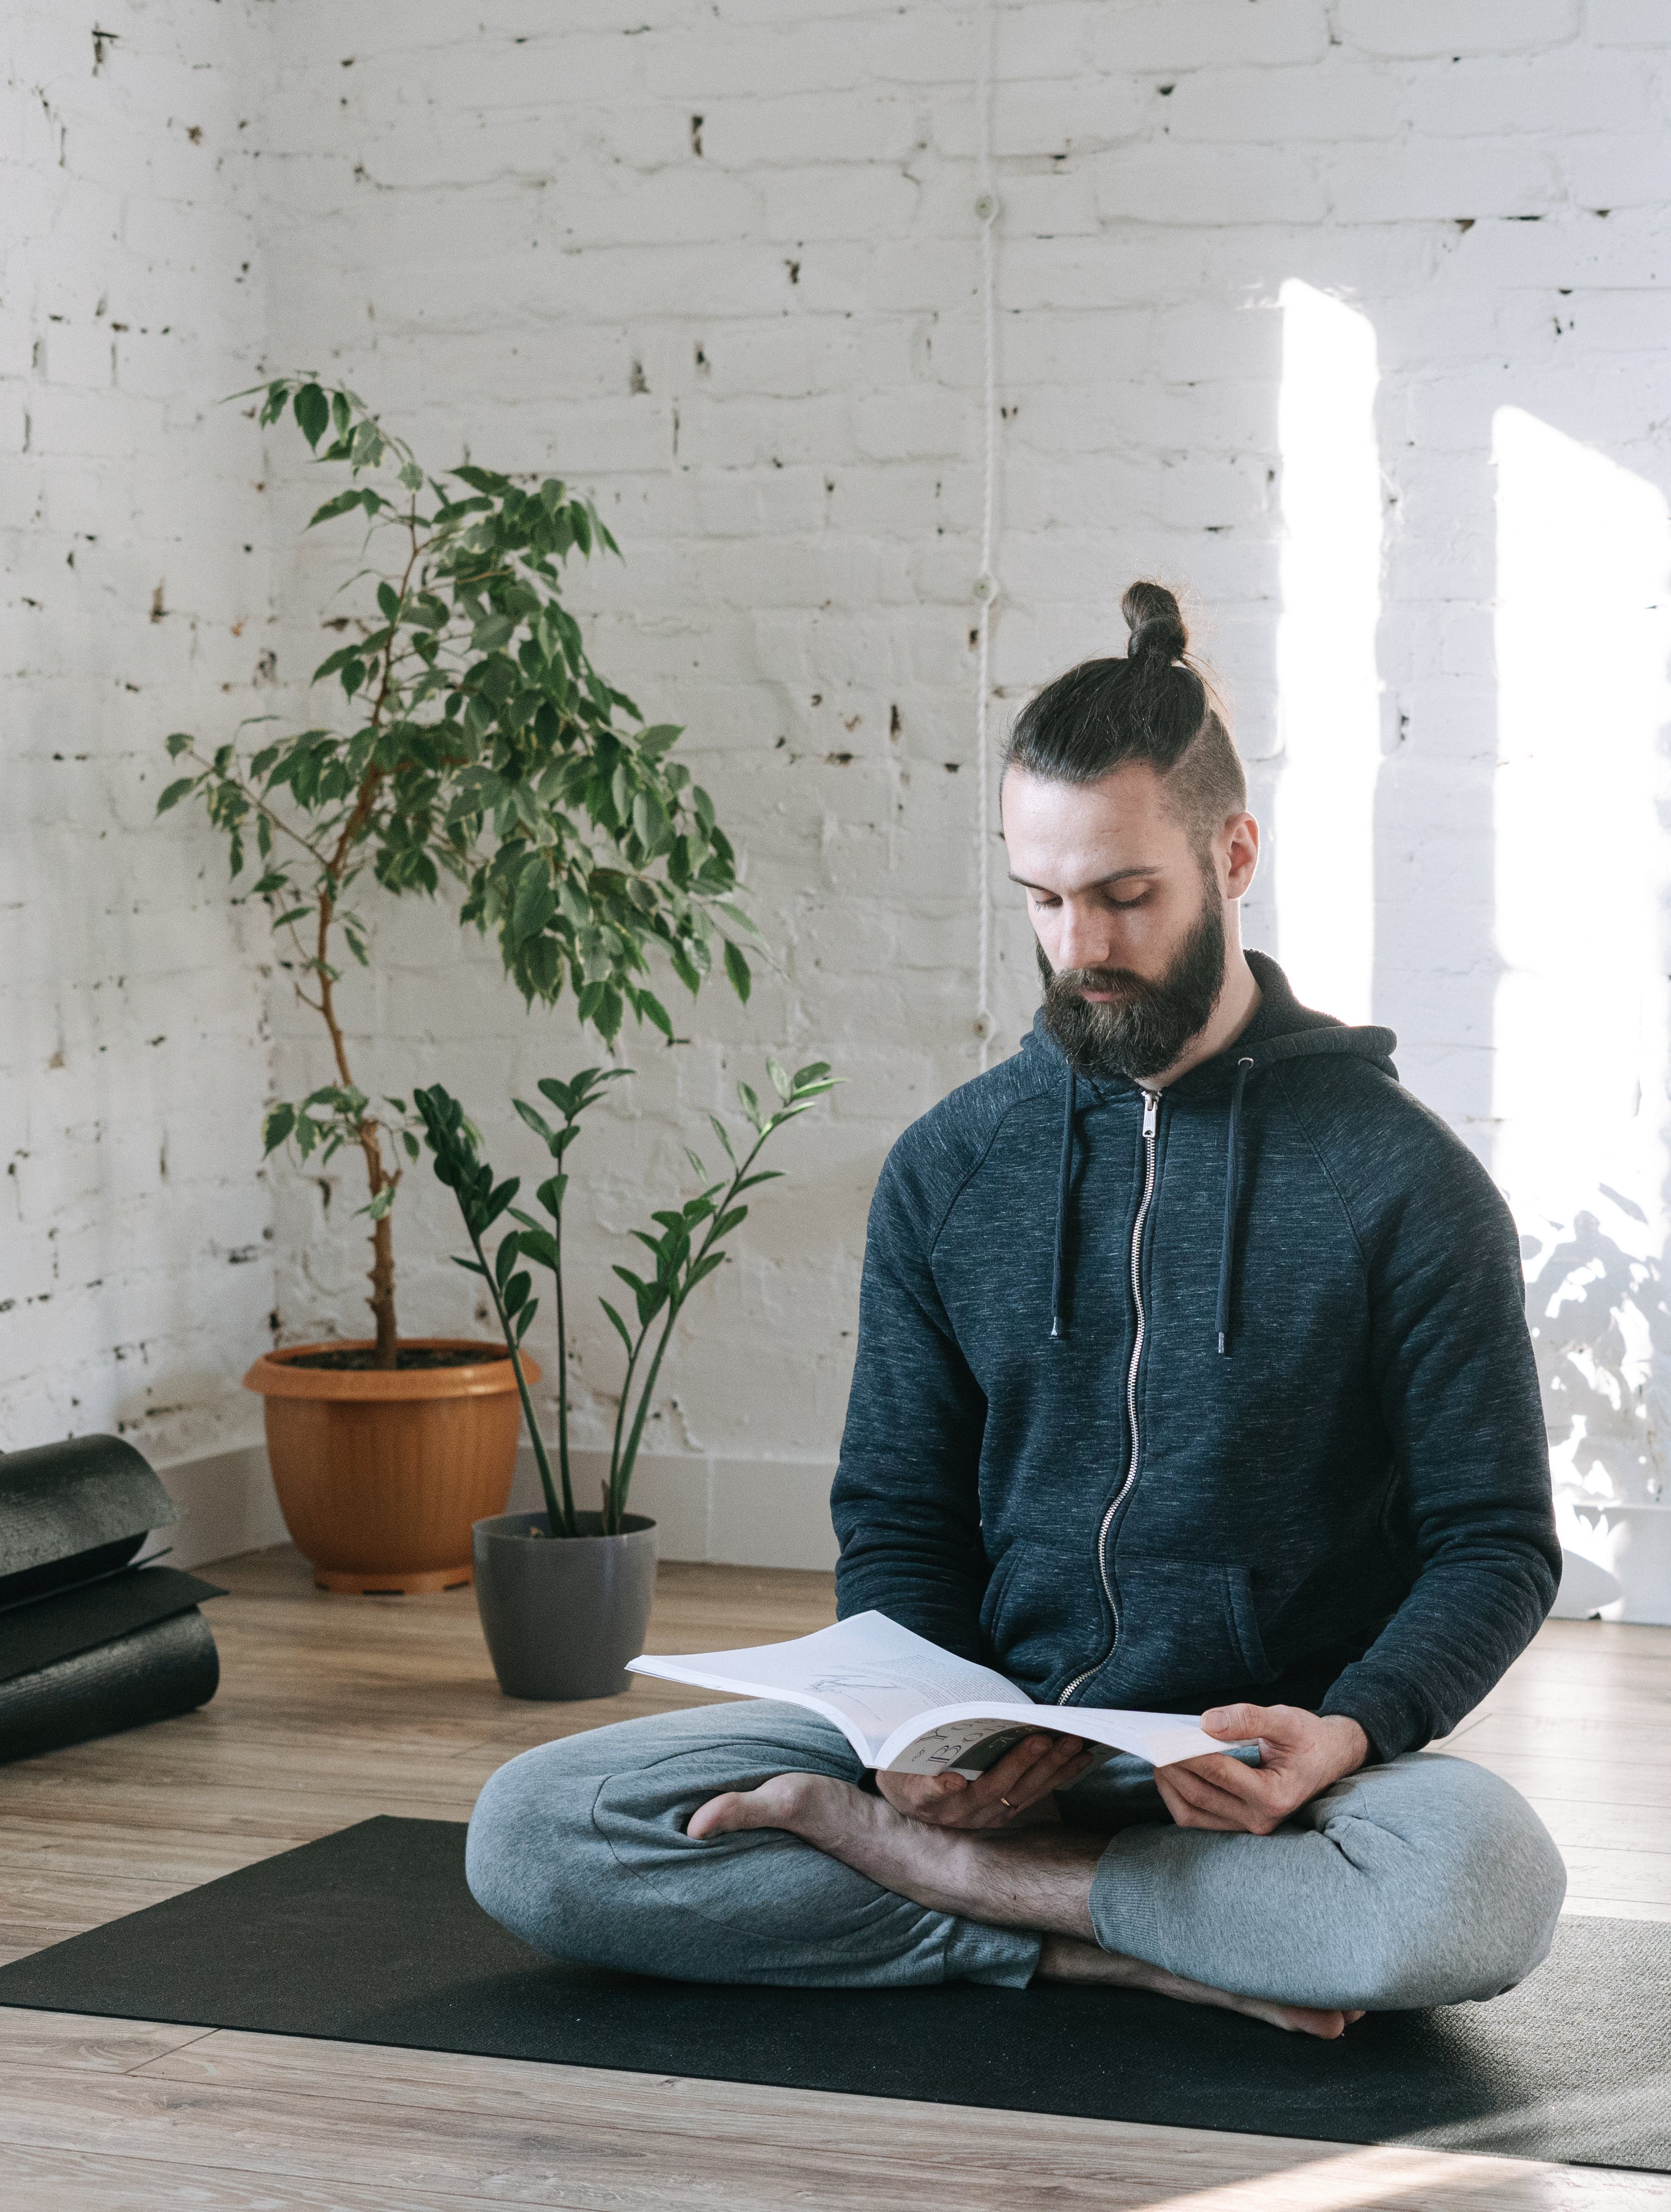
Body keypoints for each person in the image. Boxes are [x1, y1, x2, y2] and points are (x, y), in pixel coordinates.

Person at [467, 582, 1568, 2037]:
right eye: (1044, 902)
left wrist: (1345, 1731)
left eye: (1126, 897)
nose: (1083, 950)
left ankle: (942, 1891)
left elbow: (1495, 1543)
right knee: (537, 1827)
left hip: (1261, 1783)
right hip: (997, 1753)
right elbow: (904, 1518)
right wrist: (918, 1736)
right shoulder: (956, 1165)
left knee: (1480, 1885)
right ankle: (1118, 1941)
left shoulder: (1402, 1182)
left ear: (1233, 857)